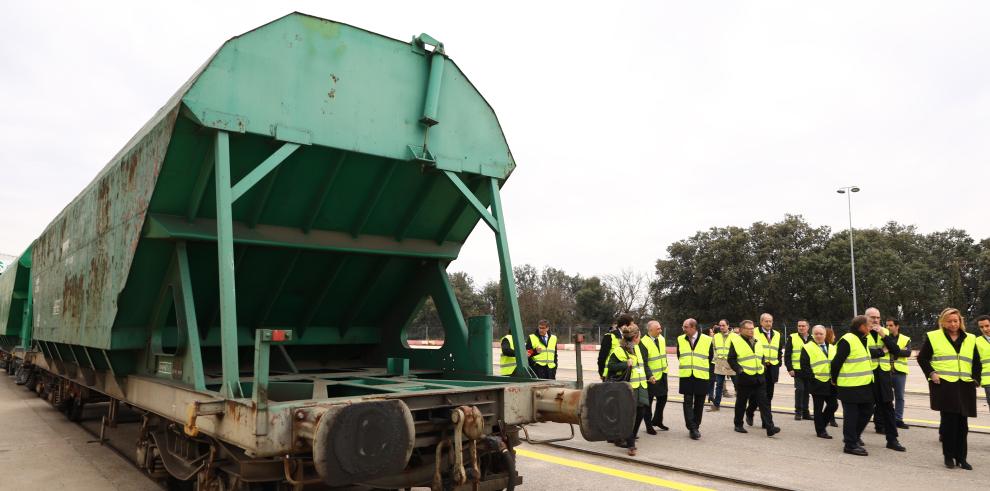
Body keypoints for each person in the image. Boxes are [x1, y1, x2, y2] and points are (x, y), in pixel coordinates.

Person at [918, 307, 981, 470]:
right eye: (949, 321)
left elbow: (976, 361)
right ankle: (948, 456)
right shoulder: (934, 337)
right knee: (949, 423)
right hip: (945, 385)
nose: (953, 324)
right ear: (943, 322)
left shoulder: (971, 338)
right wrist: (931, 373)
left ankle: (962, 458)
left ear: (960, 321)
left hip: (965, 385)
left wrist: (975, 378)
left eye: (956, 320)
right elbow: (922, 358)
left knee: (963, 424)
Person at [831, 315, 878, 456]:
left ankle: (854, 437)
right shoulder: (847, 340)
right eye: (869, 324)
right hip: (849, 386)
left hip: (864, 384)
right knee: (851, 416)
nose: (871, 326)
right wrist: (834, 379)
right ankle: (850, 445)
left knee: (867, 411)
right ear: (862, 326)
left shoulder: (863, 339)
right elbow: (836, 362)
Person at [603, 323, 652, 456]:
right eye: (640, 335)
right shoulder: (619, 350)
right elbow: (611, 365)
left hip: (641, 386)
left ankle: (630, 436)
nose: (640, 337)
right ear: (636, 336)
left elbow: (643, 365)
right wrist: (625, 364)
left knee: (641, 412)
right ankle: (630, 443)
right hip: (628, 388)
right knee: (628, 415)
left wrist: (650, 375)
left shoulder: (638, 348)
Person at [727, 319, 781, 437]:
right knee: (741, 402)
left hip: (759, 377)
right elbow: (731, 359)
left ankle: (770, 427)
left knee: (764, 403)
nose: (752, 331)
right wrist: (740, 370)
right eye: (749, 329)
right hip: (744, 377)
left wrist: (762, 366)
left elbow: (761, 355)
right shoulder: (736, 341)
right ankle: (738, 424)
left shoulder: (757, 341)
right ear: (741, 330)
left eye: (752, 328)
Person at [863, 307, 905, 451]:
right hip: (868, 375)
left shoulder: (885, 332)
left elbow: (896, 350)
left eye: (878, 317)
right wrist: (882, 351)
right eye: (872, 317)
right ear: (865, 317)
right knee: (866, 408)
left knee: (888, 407)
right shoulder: (861, 332)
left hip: (885, 375)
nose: (875, 320)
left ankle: (892, 439)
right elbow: (865, 352)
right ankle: (855, 436)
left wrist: (883, 335)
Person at [676, 318, 713, 440]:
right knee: (687, 401)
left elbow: (710, 357)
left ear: (693, 328)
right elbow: (679, 355)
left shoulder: (707, 340)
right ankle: (692, 428)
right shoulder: (680, 339)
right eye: (683, 327)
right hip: (686, 374)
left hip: (701, 375)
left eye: (686, 327)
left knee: (699, 403)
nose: (683, 329)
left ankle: (696, 426)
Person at [800, 325, 838, 439]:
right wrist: (813, 379)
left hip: (831, 382)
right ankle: (820, 431)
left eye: (821, 333)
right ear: (812, 335)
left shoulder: (832, 347)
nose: (818, 336)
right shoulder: (807, 347)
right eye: (816, 333)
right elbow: (805, 366)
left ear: (825, 335)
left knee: (833, 405)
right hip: (817, 382)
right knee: (818, 408)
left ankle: (822, 425)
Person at [746, 313, 781, 427]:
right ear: (761, 322)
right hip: (759, 368)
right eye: (766, 321)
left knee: (768, 396)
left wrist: (778, 362)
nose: (768, 323)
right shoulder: (754, 332)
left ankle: (765, 422)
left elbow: (779, 350)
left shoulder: (777, 334)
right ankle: (750, 412)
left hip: (772, 368)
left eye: (770, 321)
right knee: (756, 396)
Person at [640, 320, 669, 432]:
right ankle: (648, 425)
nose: (660, 330)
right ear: (650, 330)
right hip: (651, 377)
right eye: (658, 329)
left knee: (663, 398)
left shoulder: (661, 339)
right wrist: (649, 375)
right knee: (648, 402)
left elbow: (663, 355)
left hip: (662, 374)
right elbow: (644, 362)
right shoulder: (643, 342)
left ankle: (657, 420)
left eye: (660, 328)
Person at [884, 318, 912, 429]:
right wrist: (898, 351)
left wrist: (891, 350)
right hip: (885, 370)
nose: (888, 328)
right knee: (885, 397)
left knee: (899, 397)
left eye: (890, 325)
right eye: (887, 325)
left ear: (897, 326)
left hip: (899, 372)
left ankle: (898, 419)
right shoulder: (883, 337)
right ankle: (887, 419)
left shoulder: (905, 339)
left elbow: (907, 353)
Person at [785, 319, 813, 420]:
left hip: (809, 370)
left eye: (803, 326)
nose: (801, 328)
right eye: (799, 326)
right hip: (797, 370)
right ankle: (798, 412)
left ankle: (806, 413)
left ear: (808, 327)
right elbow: (787, 355)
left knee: (807, 392)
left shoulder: (813, 338)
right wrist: (790, 368)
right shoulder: (792, 337)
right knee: (800, 390)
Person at [709, 319, 736, 411]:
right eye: (720, 325)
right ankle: (716, 405)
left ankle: (742, 404)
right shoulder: (716, 336)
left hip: (731, 363)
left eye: (723, 325)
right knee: (719, 385)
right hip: (720, 363)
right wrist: (716, 360)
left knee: (737, 385)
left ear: (728, 326)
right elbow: (714, 349)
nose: (721, 327)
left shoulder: (735, 336)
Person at [976, 315, 990, 413]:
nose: (984, 329)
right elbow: (975, 362)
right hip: (988, 382)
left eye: (987, 326)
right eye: (981, 327)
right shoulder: (976, 342)